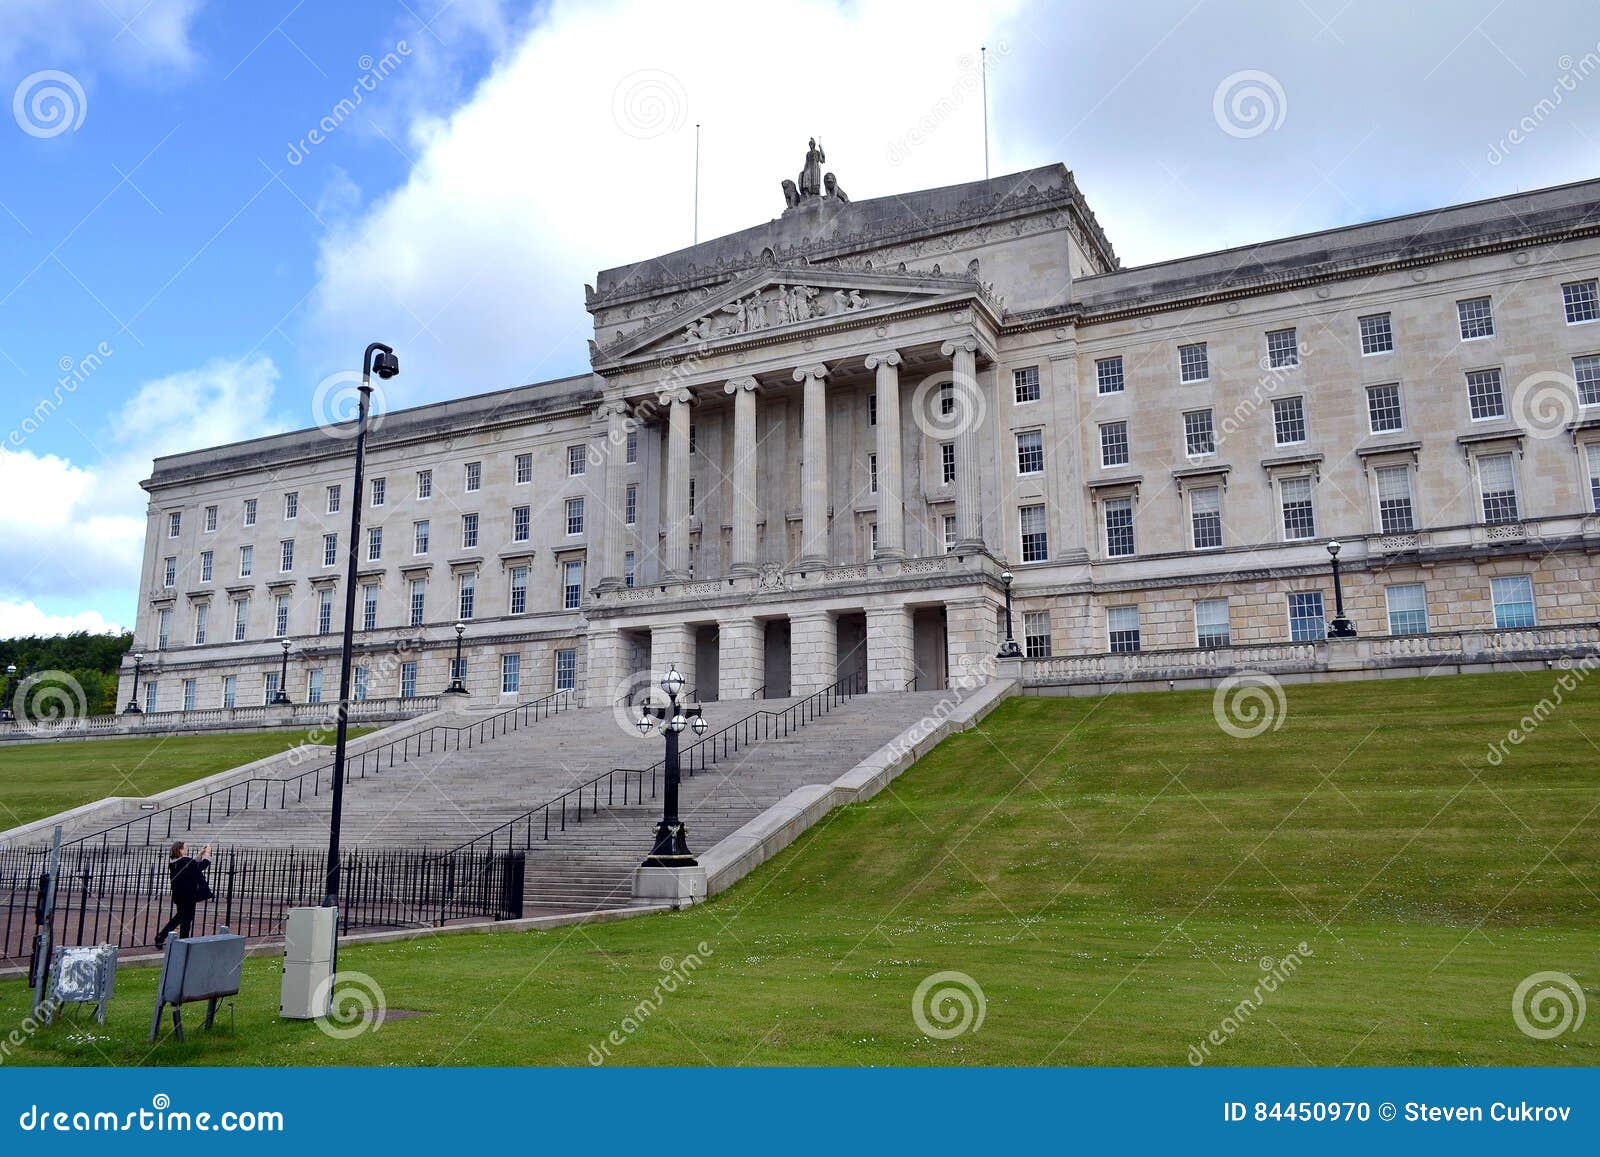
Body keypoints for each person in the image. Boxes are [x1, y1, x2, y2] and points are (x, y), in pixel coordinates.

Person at [156, 841, 213, 944]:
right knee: (186, 919)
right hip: (188, 895)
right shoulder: (185, 861)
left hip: (178, 895)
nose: (187, 849)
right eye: (185, 848)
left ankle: (161, 936)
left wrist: (200, 854)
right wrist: (207, 853)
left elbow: (191, 866)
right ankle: (182, 941)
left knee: (180, 917)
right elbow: (200, 867)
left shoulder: (174, 862)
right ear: (180, 850)